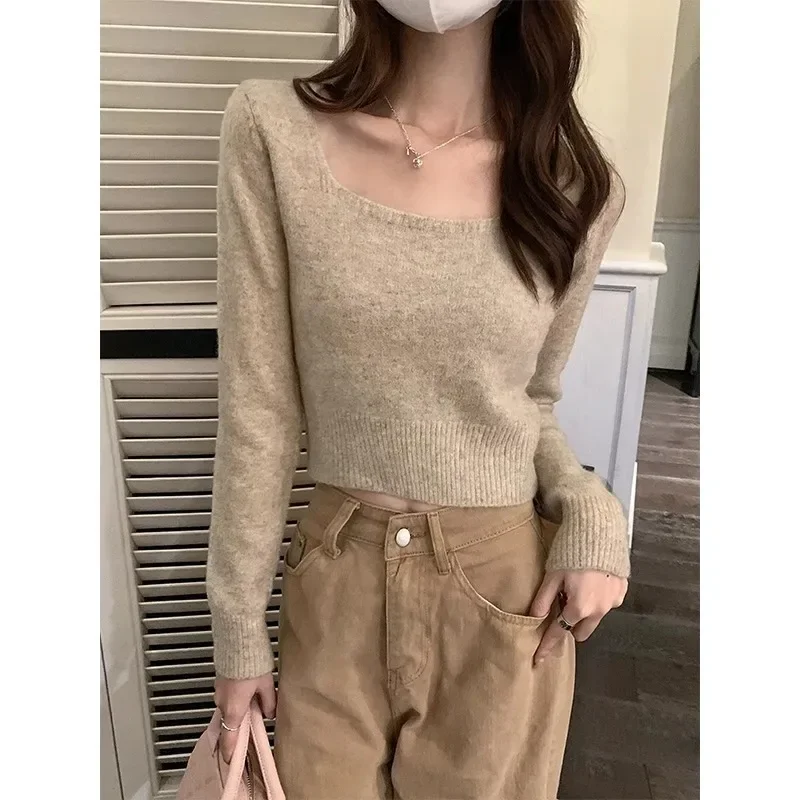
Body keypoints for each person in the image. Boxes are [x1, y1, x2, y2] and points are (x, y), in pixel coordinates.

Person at [206, 1, 631, 797]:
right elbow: (259, 407)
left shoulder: (574, 184)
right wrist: (237, 633)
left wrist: (589, 505)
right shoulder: (272, 132)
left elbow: (531, 401)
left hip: (502, 595)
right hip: (336, 582)